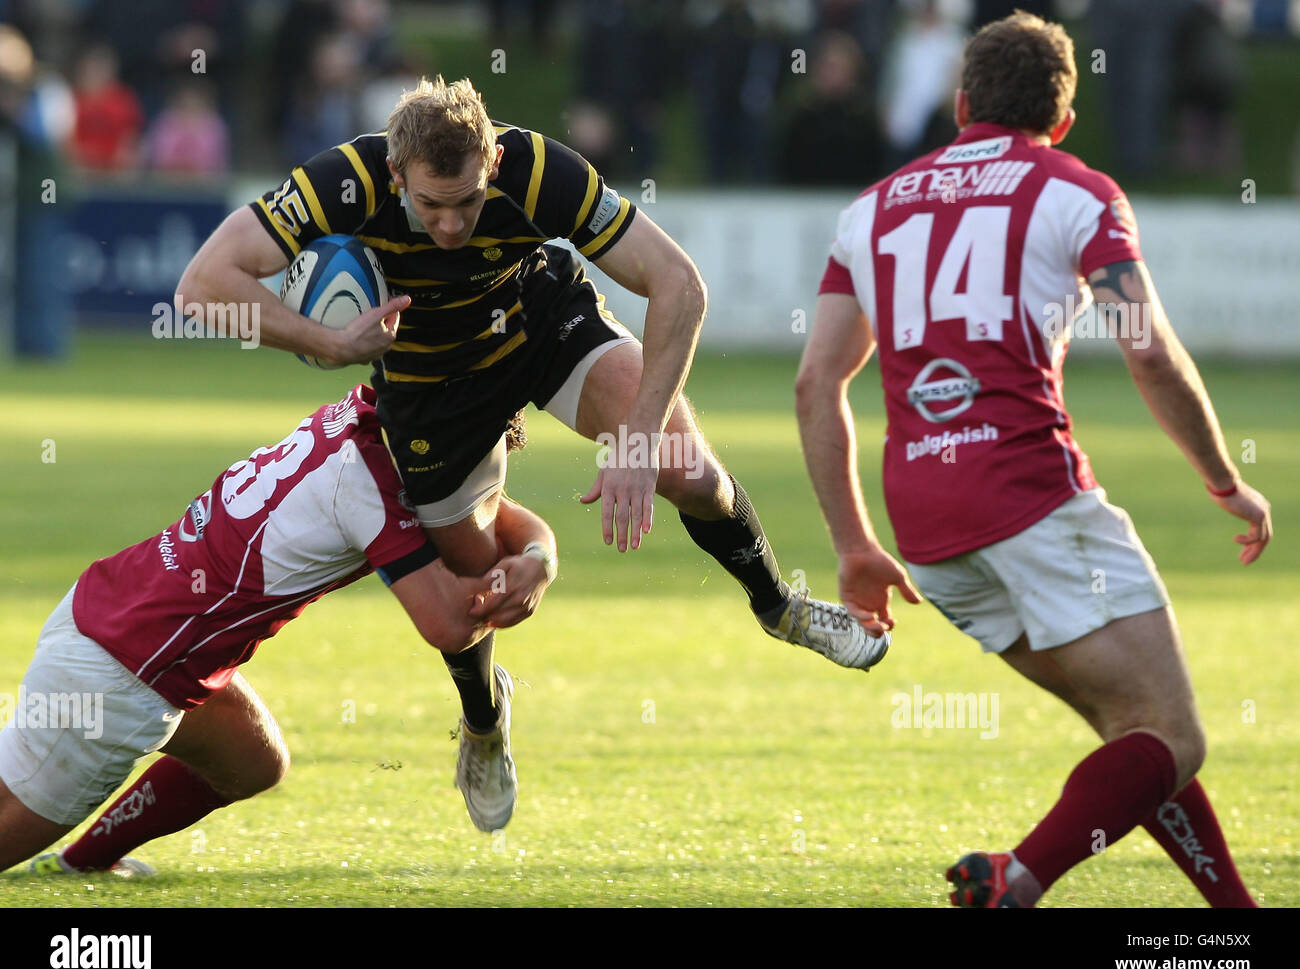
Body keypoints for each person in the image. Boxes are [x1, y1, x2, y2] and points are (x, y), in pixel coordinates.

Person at [176, 73, 889, 743]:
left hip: (538, 324)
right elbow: (202, 287)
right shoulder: (344, 183)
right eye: (431, 206)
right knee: (476, 581)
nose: (452, 225)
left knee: (687, 469)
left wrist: (637, 443)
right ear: (397, 177)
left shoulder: (541, 171)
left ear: (490, 166)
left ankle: (779, 606)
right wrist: (326, 343)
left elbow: (680, 284)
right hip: (430, 382)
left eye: (468, 202)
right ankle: (485, 723)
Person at [795, 12, 1271, 907]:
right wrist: (1223, 478)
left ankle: (1233, 927)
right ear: (1062, 119)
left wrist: (854, 542)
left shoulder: (874, 208)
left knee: (1129, 732)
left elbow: (816, 384)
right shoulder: (1076, 190)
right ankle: (1016, 879)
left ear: (961, 102)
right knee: (1173, 737)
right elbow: (1149, 349)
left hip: (928, 530)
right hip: (1032, 501)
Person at [0, 384, 556, 876]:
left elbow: (497, 518)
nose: (473, 500)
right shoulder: (373, 485)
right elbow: (450, 625)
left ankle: (84, 863)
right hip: (123, 675)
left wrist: (540, 555)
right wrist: (504, 602)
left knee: (252, 761)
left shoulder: (364, 419)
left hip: (119, 617)